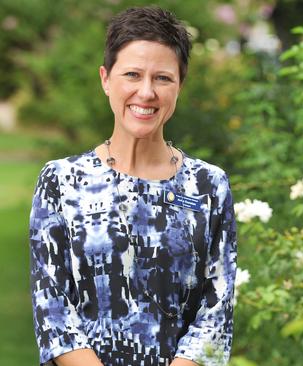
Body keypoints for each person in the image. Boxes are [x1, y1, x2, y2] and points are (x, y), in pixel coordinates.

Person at [28, 6, 237, 366]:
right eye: (132, 74)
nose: (146, 92)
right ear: (106, 79)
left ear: (180, 86)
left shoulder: (208, 186)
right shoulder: (61, 182)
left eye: (163, 78)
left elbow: (215, 314)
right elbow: (54, 311)